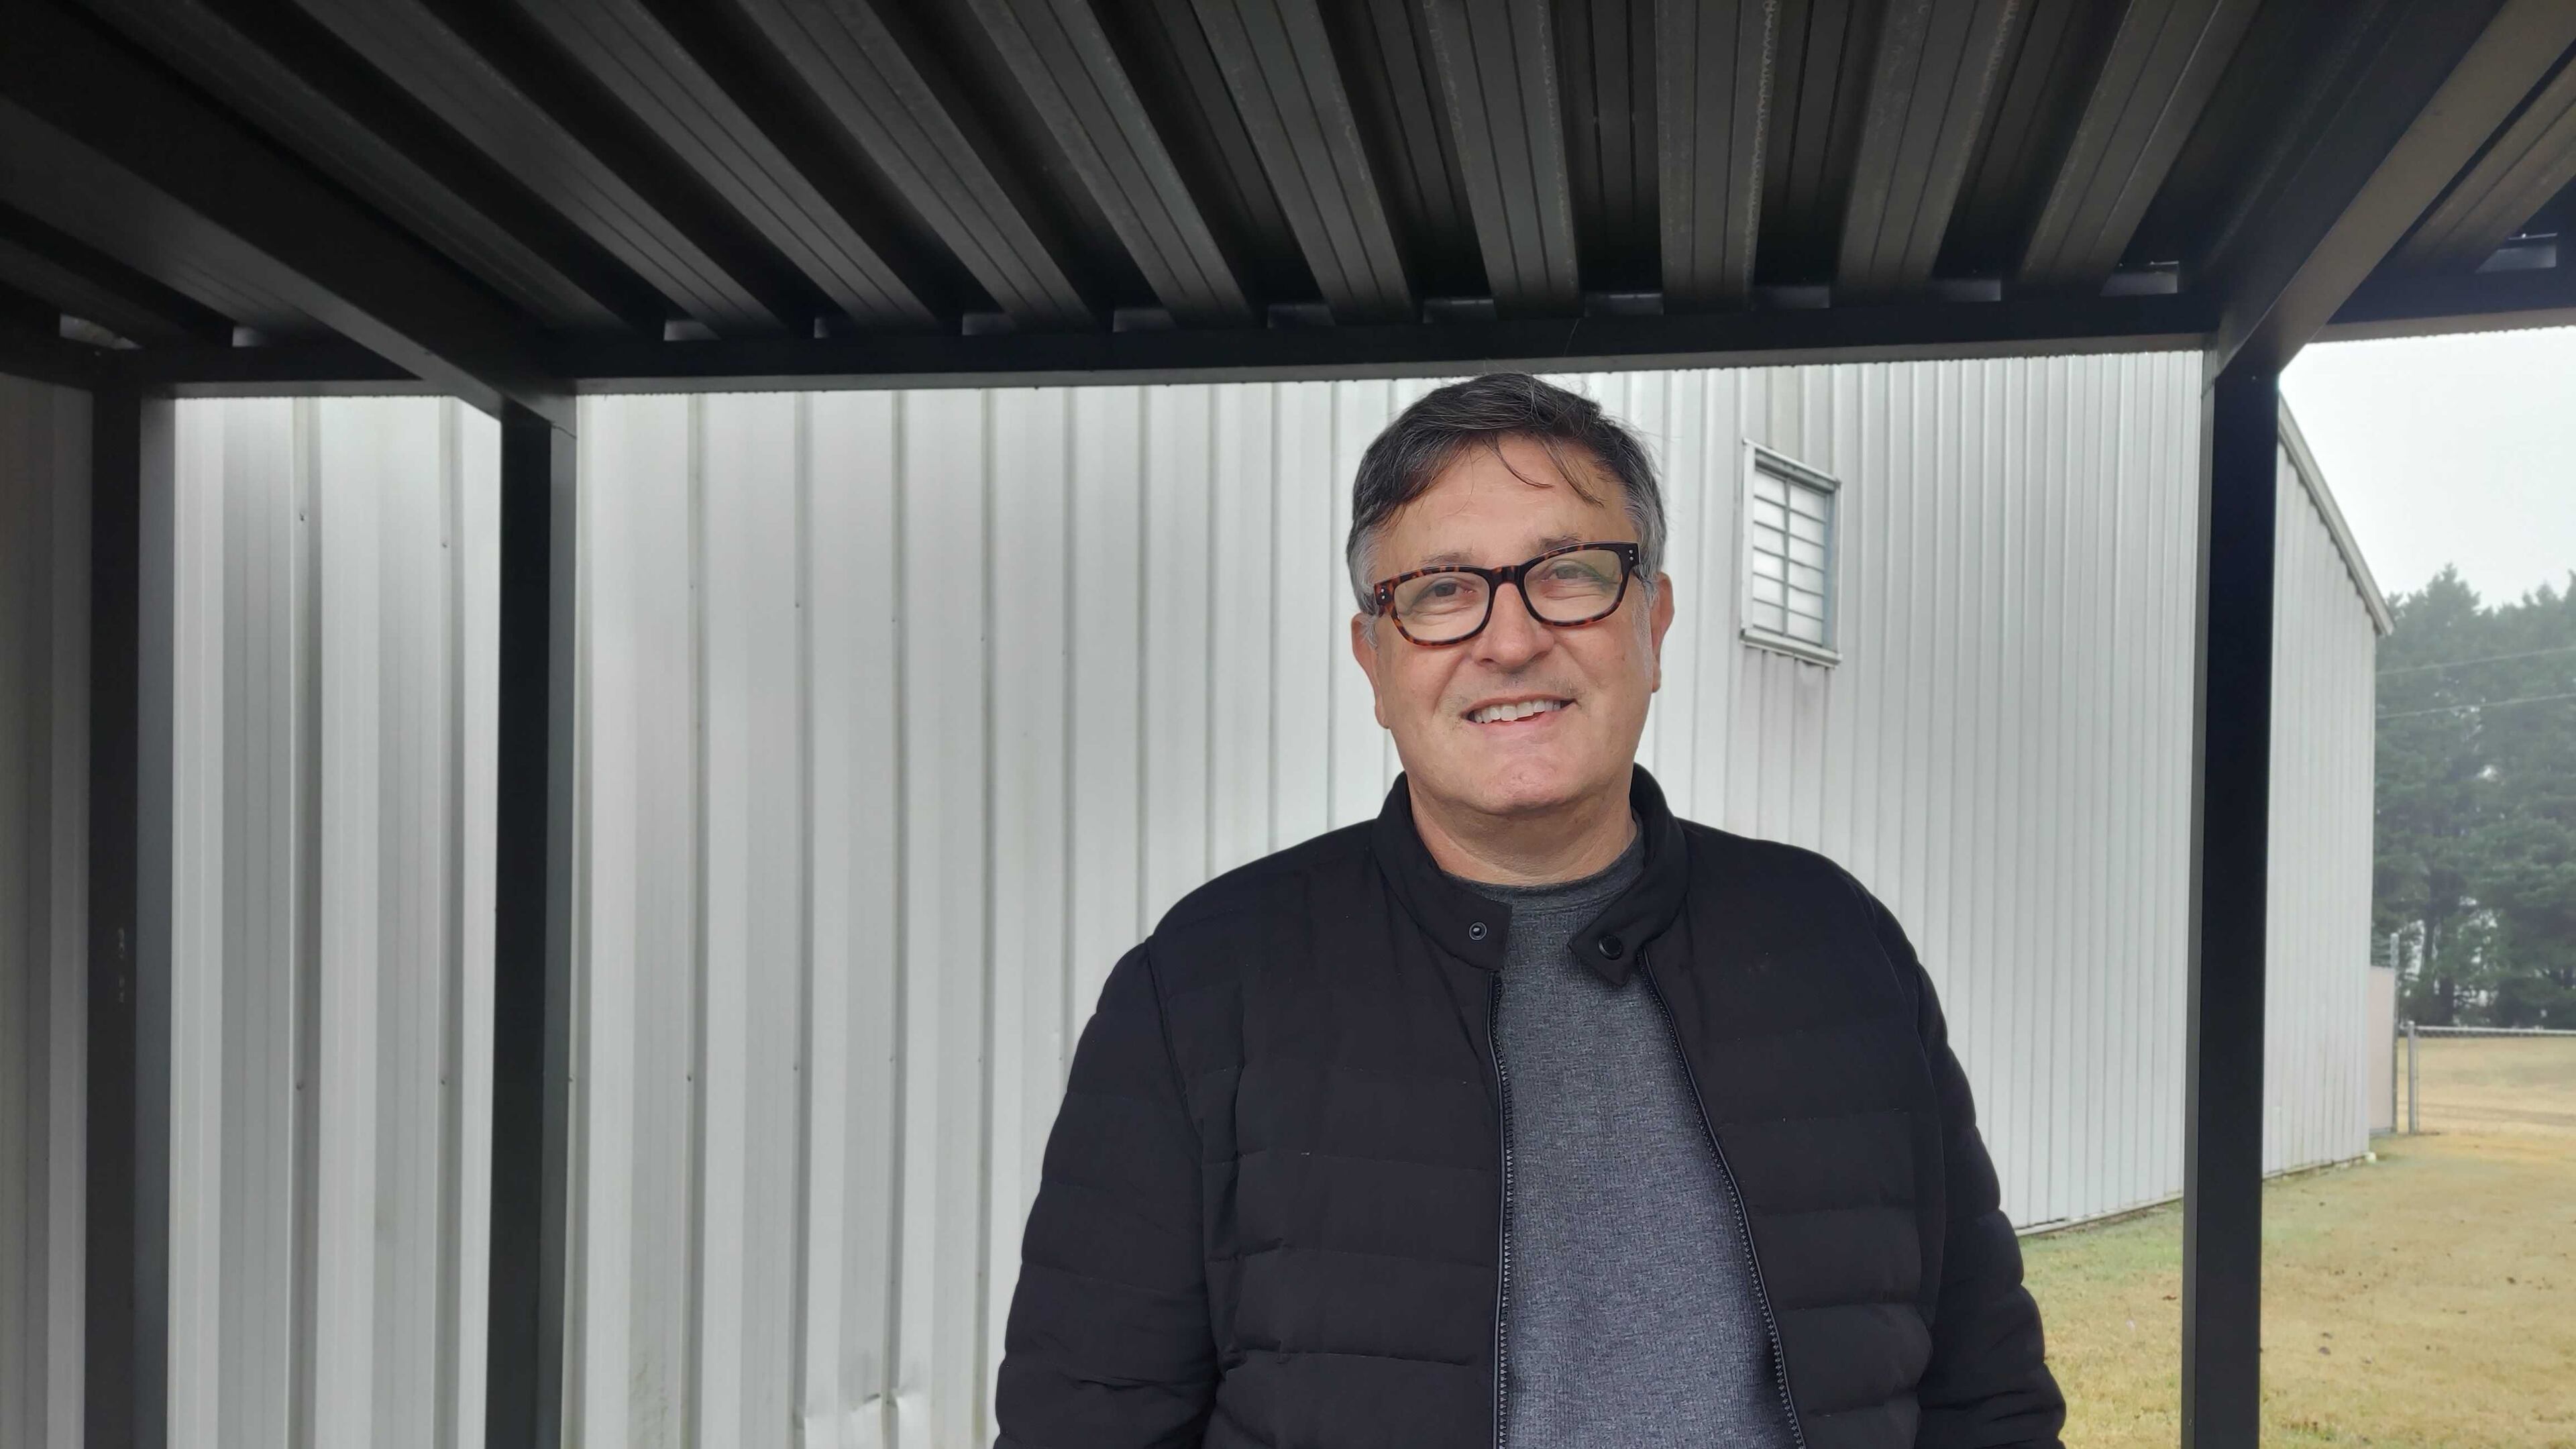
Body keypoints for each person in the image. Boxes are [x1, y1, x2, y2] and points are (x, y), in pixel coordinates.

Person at [995, 373, 2063, 1449]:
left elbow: (1986, 1400)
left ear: (1655, 620)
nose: (1509, 641)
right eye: (1442, 590)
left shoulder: (1839, 950)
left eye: (1570, 573)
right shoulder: (1202, 986)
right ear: (1374, 659)